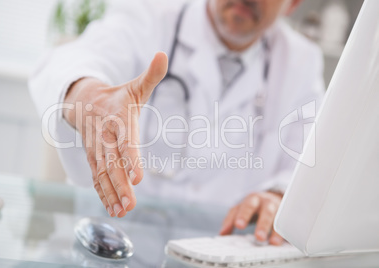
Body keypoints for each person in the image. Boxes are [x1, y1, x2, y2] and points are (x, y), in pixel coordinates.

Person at [29, 0, 325, 245]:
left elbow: (312, 163)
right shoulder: (149, 16)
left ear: (293, 4)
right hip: (113, 246)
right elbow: (72, 58)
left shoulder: (301, 62)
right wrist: (88, 93)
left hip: (219, 256)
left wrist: (277, 195)